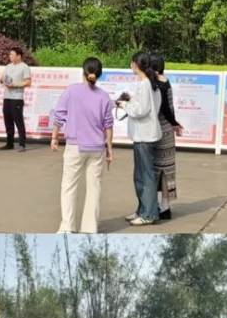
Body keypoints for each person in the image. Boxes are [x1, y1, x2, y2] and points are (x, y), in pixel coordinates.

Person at [50, 57, 114, 234]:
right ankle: (90, 228)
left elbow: (59, 115)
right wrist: (109, 149)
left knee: (69, 186)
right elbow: (108, 125)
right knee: (94, 188)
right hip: (97, 147)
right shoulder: (104, 96)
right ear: (99, 74)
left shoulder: (71, 91)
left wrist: (54, 137)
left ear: (83, 71)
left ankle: (67, 226)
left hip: (75, 146)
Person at [120, 51, 163, 225]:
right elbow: (148, 105)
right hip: (143, 135)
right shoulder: (150, 83)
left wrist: (125, 105)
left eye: (132, 63)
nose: (131, 66)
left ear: (136, 65)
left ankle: (148, 214)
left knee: (145, 176)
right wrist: (131, 99)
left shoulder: (145, 84)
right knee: (141, 176)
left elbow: (141, 110)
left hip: (144, 136)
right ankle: (142, 210)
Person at [149, 52, 183, 221]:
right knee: (166, 170)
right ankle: (165, 205)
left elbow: (165, 109)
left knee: (159, 169)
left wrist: (174, 122)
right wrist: (174, 124)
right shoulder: (165, 81)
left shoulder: (158, 85)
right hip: (167, 130)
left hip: (160, 130)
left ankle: (160, 205)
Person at [0, 46, 31, 150]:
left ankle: (22, 143)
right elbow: (2, 78)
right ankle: (9, 143)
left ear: (19, 56)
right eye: (10, 54)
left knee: (18, 120)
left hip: (17, 97)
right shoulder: (8, 66)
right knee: (8, 120)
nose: (10, 56)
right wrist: (2, 80)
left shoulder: (24, 67)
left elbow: (28, 82)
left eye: (12, 54)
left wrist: (16, 85)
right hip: (7, 96)